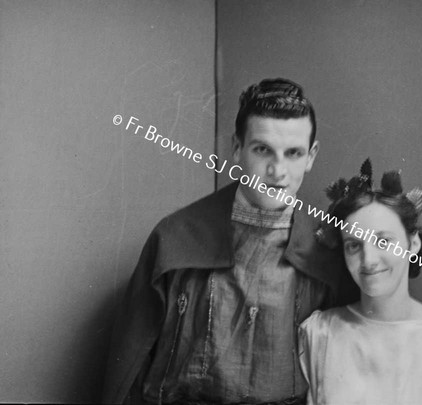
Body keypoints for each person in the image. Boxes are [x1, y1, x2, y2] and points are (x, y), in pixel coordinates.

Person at [103, 78, 355, 404]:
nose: (277, 172)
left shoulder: (328, 250)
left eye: (293, 153)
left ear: (311, 156)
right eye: (262, 149)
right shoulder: (175, 239)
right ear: (237, 148)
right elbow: (129, 369)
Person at [299, 160, 422, 404]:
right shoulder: (318, 335)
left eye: (383, 241)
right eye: (354, 245)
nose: (368, 260)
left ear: (413, 244)